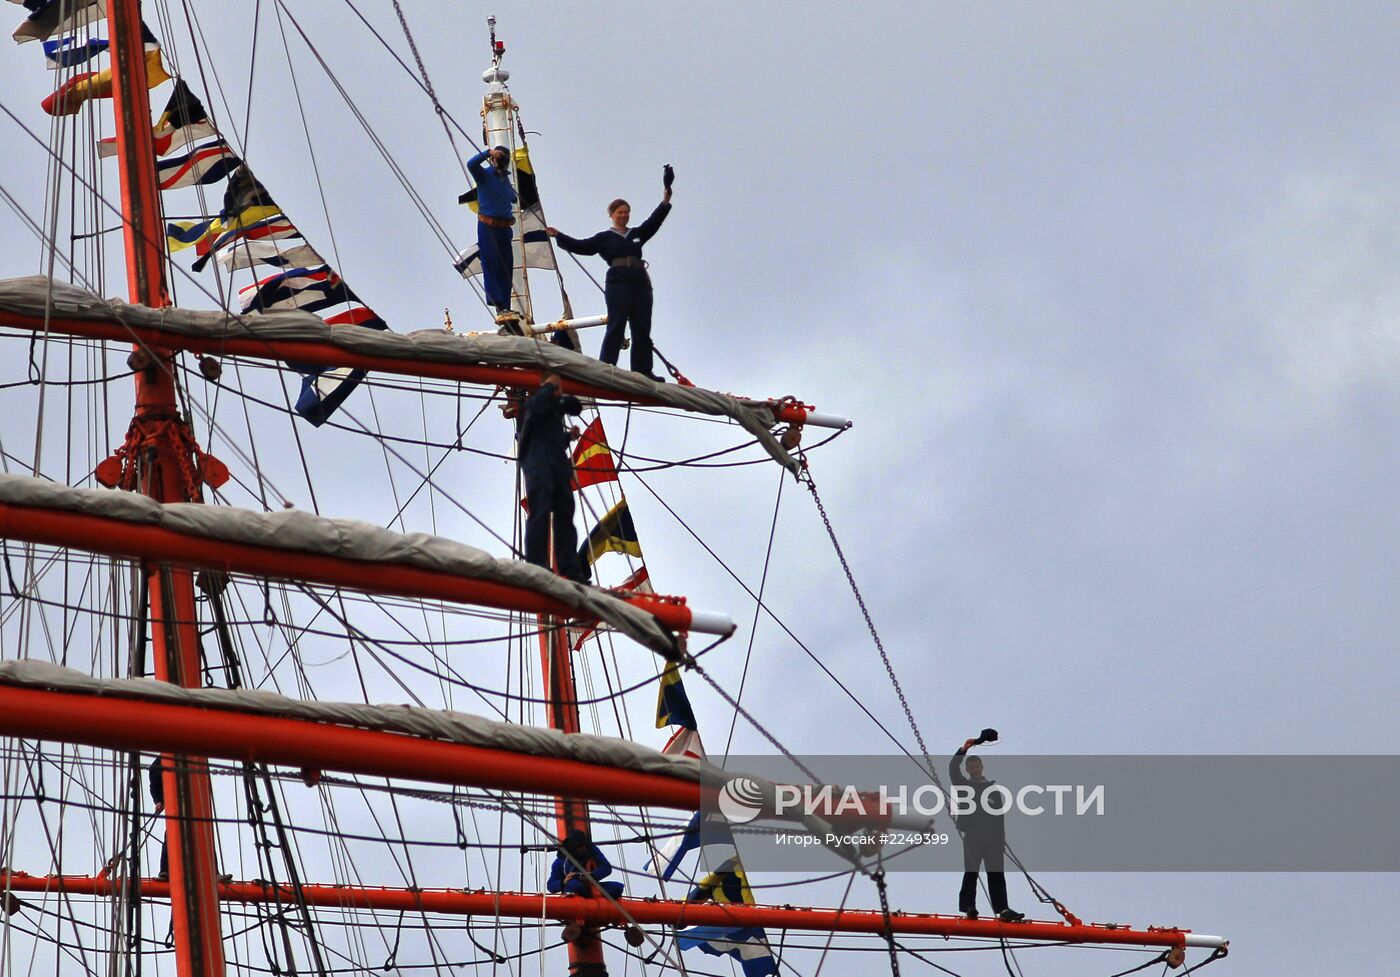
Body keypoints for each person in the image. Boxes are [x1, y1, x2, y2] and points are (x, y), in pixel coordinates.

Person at [546, 164, 674, 380]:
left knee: (642, 326)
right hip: (618, 283)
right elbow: (582, 246)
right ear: (612, 215)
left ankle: (643, 371)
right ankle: (606, 368)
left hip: (639, 282)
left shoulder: (637, 234)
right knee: (617, 323)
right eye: (620, 212)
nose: (624, 216)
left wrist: (666, 199)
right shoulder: (604, 238)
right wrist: (559, 235)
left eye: (626, 212)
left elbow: (654, 222)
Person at [518, 374, 589, 583]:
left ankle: (569, 569)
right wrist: (548, 387)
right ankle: (536, 565)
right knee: (540, 510)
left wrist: (569, 437)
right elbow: (537, 409)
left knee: (565, 515)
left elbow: (574, 407)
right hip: (539, 464)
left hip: (556, 464)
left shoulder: (552, 413)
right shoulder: (533, 404)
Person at [949, 732, 1025, 922]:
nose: (974, 769)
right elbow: (952, 768)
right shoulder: (964, 786)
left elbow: (1000, 818)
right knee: (971, 872)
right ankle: (969, 907)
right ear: (968, 769)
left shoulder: (993, 791)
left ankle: (1003, 909)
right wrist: (963, 749)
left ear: (981, 767)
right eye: (971, 767)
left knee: (996, 874)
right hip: (973, 836)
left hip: (993, 838)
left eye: (976, 766)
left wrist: (1001, 841)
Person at [465, 145, 519, 326]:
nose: (502, 159)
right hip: (488, 227)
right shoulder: (484, 175)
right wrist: (488, 153)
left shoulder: (505, 180)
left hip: (504, 229)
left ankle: (506, 306)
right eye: (500, 156)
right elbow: (471, 164)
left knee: (506, 265)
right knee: (491, 263)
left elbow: (513, 198)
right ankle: (499, 305)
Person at [547, 829, 625, 899]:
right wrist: (564, 882)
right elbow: (550, 885)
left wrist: (590, 876)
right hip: (575, 887)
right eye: (579, 848)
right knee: (574, 885)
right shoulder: (560, 861)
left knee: (617, 887)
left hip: (593, 887)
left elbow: (606, 867)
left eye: (584, 847)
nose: (583, 850)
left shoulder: (592, 850)